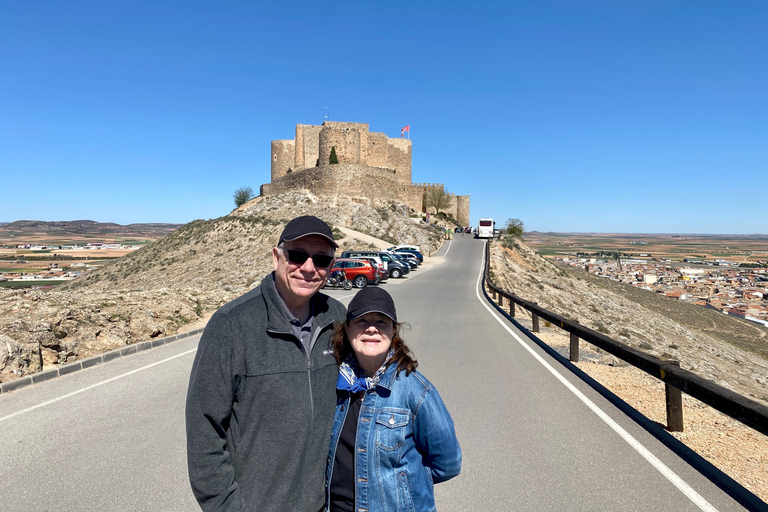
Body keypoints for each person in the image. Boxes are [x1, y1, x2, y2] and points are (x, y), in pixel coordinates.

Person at [185, 215, 346, 512]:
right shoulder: (231, 325)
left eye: (321, 260)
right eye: (297, 255)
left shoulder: (337, 318)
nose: (309, 268)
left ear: (331, 268)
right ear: (276, 257)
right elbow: (204, 430)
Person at [325, 287, 461, 512]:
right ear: (347, 329)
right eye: (362, 320)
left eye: (381, 321)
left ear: (393, 331)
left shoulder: (415, 390)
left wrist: (401, 488)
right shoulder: (333, 383)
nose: (371, 328)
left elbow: (448, 463)